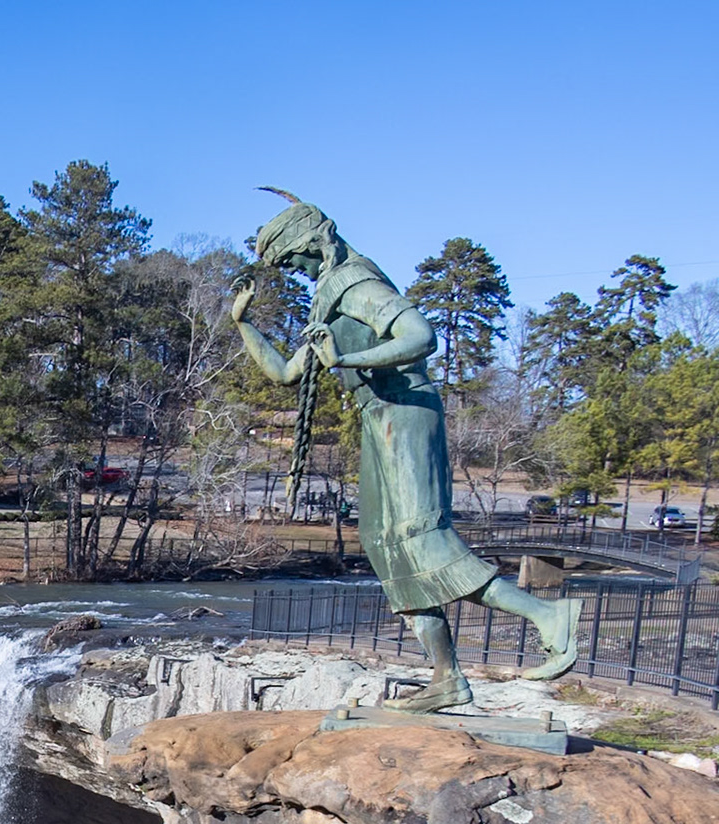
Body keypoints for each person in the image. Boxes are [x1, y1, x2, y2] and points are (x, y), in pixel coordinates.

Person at [232, 193, 581, 711]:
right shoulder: (329, 294)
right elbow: (285, 373)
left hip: (405, 414)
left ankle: (547, 616)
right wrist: (243, 323)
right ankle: (447, 678)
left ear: (314, 242)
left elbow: (421, 335)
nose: (296, 272)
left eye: (294, 260)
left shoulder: (357, 284)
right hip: (376, 419)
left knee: (424, 541)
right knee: (385, 545)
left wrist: (347, 356)